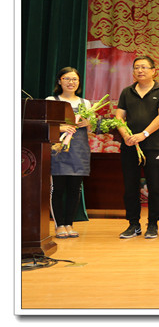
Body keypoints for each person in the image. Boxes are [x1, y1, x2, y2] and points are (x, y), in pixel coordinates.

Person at [116, 56, 159, 239]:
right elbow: (119, 117)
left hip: (152, 146)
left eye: (144, 67)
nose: (140, 70)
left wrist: (144, 134)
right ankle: (133, 225)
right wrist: (126, 135)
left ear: (154, 70)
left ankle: (153, 224)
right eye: (136, 67)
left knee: (154, 186)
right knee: (130, 187)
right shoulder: (127, 92)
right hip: (130, 146)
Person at [47, 67, 92, 239]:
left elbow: (91, 129)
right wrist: (60, 128)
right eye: (67, 79)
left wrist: (88, 123)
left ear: (79, 82)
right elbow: (46, 125)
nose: (71, 82)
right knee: (58, 188)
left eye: (74, 79)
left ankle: (69, 224)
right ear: (59, 81)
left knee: (75, 189)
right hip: (58, 151)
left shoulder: (85, 103)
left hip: (79, 150)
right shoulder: (52, 100)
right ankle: (59, 225)